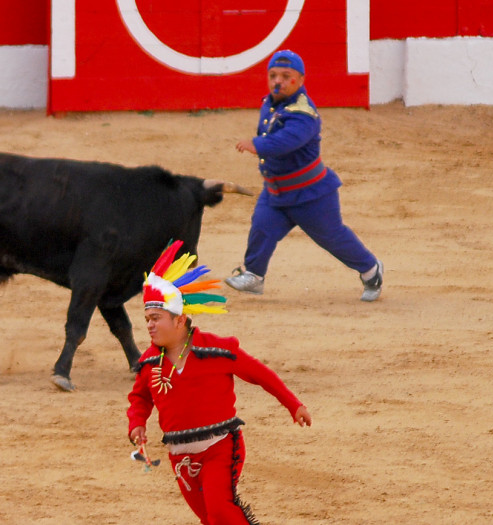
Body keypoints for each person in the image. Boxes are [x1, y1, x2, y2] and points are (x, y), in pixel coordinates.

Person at [127, 240, 312, 525]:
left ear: (180, 320)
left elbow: (260, 374)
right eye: (147, 319)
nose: (149, 325)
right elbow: (140, 397)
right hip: (180, 453)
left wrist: (293, 404)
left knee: (220, 510)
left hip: (220, 446)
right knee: (209, 518)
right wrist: (137, 422)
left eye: (156, 318)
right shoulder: (150, 361)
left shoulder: (217, 350)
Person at [227, 49, 384, 301]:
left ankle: (370, 270)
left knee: (333, 238)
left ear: (300, 80)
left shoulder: (304, 114)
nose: (277, 81)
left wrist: (258, 145)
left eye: (285, 76)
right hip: (276, 189)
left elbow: (286, 141)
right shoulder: (270, 103)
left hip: (310, 195)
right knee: (261, 227)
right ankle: (254, 276)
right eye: (273, 75)